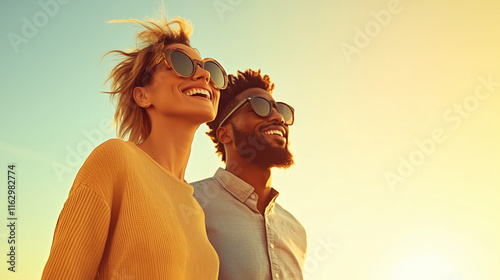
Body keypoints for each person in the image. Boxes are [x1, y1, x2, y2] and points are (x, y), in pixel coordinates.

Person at [42, 16, 228, 279]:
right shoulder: (115, 160)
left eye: (210, 69)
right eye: (181, 64)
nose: (205, 74)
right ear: (142, 95)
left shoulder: (195, 208)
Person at [192, 69, 307, 279]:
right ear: (224, 133)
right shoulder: (191, 202)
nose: (278, 117)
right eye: (259, 106)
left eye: (279, 109)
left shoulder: (295, 230)